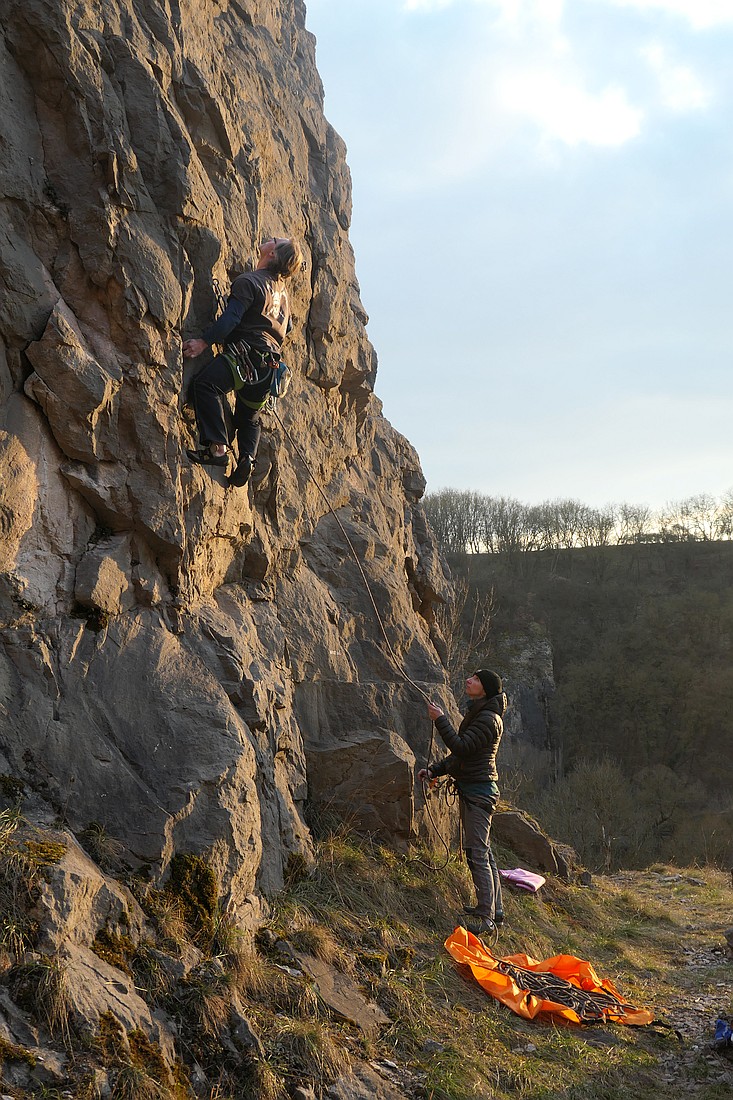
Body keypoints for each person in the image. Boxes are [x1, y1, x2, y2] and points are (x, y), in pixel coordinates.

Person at [182, 235, 303, 487]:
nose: (269, 238)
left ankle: (217, 451)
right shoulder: (282, 293)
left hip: (245, 355)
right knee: (249, 417)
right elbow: (287, 326)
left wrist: (203, 342)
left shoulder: (249, 281)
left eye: (273, 240)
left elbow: (231, 319)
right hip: (269, 367)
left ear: (272, 254)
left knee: (205, 385)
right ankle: (247, 457)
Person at [418, 669, 507, 936]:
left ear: (486, 689)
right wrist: (435, 770)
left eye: (476, 679)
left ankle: (486, 917)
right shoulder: (480, 714)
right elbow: (462, 759)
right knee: (484, 851)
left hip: (479, 793)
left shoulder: (488, 719)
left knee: (477, 852)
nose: (469, 681)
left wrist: (440, 720)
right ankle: (495, 911)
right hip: (478, 789)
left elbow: (461, 748)